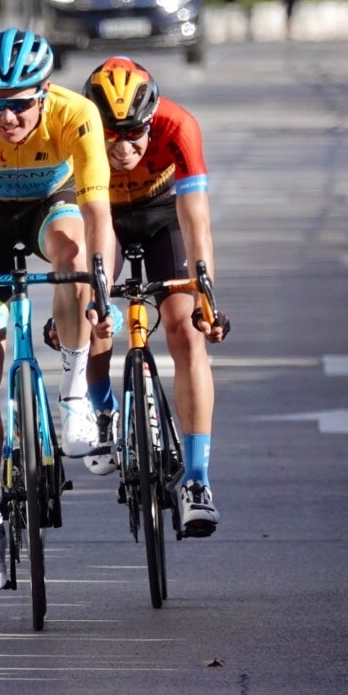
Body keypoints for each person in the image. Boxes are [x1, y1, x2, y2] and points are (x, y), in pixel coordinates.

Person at [0, 27, 116, 592]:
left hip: (47, 207)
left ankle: (76, 391)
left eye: (21, 104)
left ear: (45, 92)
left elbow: (97, 210)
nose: (7, 117)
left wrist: (99, 284)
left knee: (74, 254)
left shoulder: (76, 115)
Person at [79, 56, 230, 535]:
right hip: (104, 218)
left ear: (152, 119)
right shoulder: (76, 131)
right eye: (111, 135)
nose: (122, 147)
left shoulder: (178, 126)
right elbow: (75, 225)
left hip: (164, 216)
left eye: (134, 133)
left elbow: (196, 221)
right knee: (91, 316)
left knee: (187, 333)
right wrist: (83, 296)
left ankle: (198, 480)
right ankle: (103, 412)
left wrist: (204, 291)